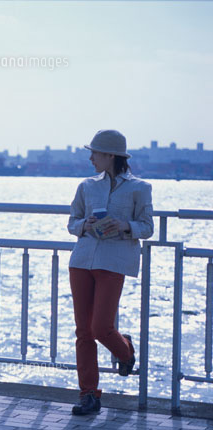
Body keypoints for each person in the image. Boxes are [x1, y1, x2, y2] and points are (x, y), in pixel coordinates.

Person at [67, 130, 154, 415]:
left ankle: (126, 350)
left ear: (111, 156)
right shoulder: (86, 186)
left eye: (96, 153)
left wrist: (125, 226)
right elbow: (72, 222)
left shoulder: (139, 188)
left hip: (114, 261)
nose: (90, 158)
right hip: (81, 260)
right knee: (83, 331)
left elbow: (147, 226)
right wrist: (86, 224)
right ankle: (89, 394)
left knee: (101, 327)